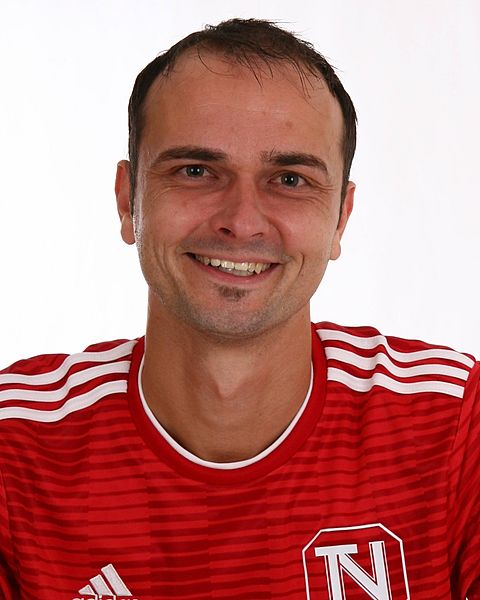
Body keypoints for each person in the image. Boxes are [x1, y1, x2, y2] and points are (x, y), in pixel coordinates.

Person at [0, 18, 478, 600]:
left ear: (340, 219)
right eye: (196, 171)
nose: (242, 221)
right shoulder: (14, 448)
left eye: (290, 179)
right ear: (128, 202)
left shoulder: (454, 422)